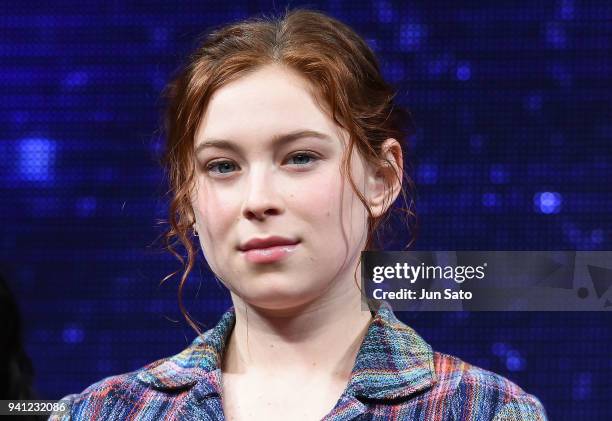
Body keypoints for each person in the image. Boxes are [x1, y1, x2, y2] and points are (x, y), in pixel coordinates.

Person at [50, 8, 547, 420]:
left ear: (383, 178)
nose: (258, 199)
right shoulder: (100, 412)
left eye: (300, 157)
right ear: (187, 198)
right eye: (222, 166)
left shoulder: (483, 410)